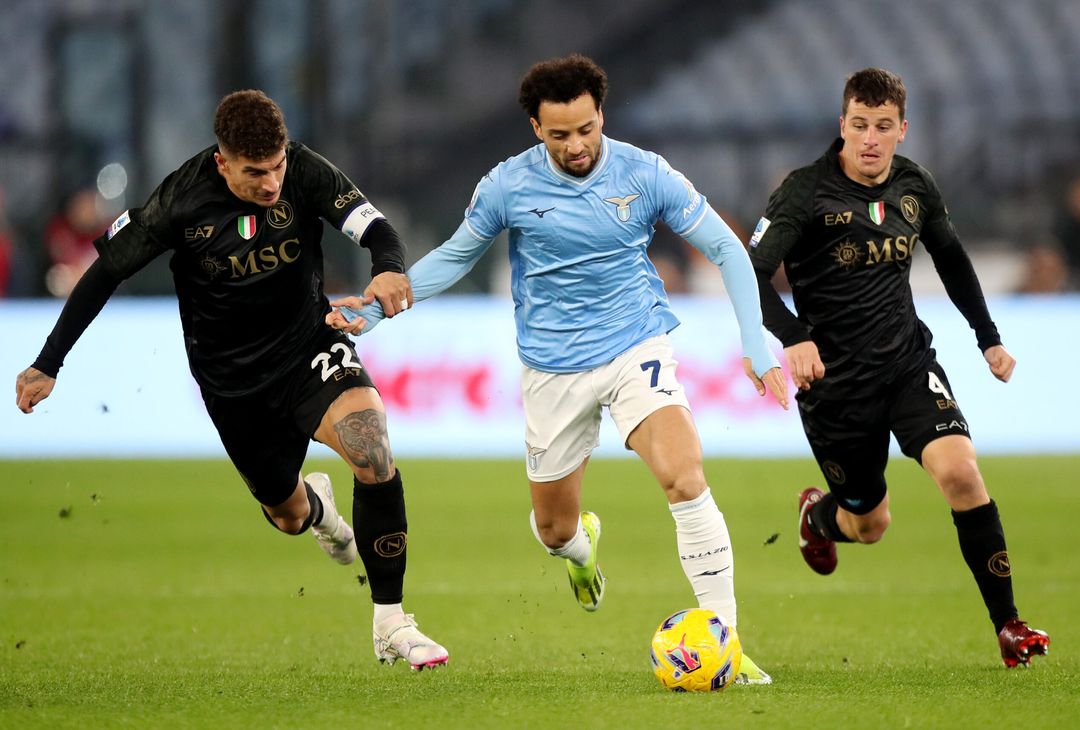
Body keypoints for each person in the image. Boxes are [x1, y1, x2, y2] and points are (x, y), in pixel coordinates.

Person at [328, 54, 789, 685]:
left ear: (602, 114)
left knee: (684, 478)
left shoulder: (645, 173)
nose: (576, 145)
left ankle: (727, 644)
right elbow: (455, 258)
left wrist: (756, 344)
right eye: (559, 134)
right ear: (535, 129)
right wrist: (380, 314)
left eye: (586, 129)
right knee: (552, 528)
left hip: (636, 346)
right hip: (551, 369)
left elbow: (726, 249)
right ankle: (579, 549)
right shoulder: (507, 186)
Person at [14, 90, 448, 671]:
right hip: (233, 383)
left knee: (372, 446)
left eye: (277, 168)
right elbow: (105, 275)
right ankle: (318, 511)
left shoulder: (305, 169)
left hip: (307, 347)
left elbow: (374, 229)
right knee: (288, 516)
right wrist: (49, 361)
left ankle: (392, 622)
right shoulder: (181, 199)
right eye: (254, 173)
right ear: (223, 162)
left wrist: (390, 266)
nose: (272, 184)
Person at [747, 67, 1049, 668]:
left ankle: (1009, 625)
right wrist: (795, 338)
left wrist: (987, 338)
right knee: (869, 523)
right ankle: (820, 516)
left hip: (909, 365)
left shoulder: (916, 186)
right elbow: (749, 273)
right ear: (842, 125)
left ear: (901, 130)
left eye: (883, 127)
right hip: (836, 387)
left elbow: (954, 260)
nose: (870, 139)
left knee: (962, 474)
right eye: (859, 125)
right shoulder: (804, 193)